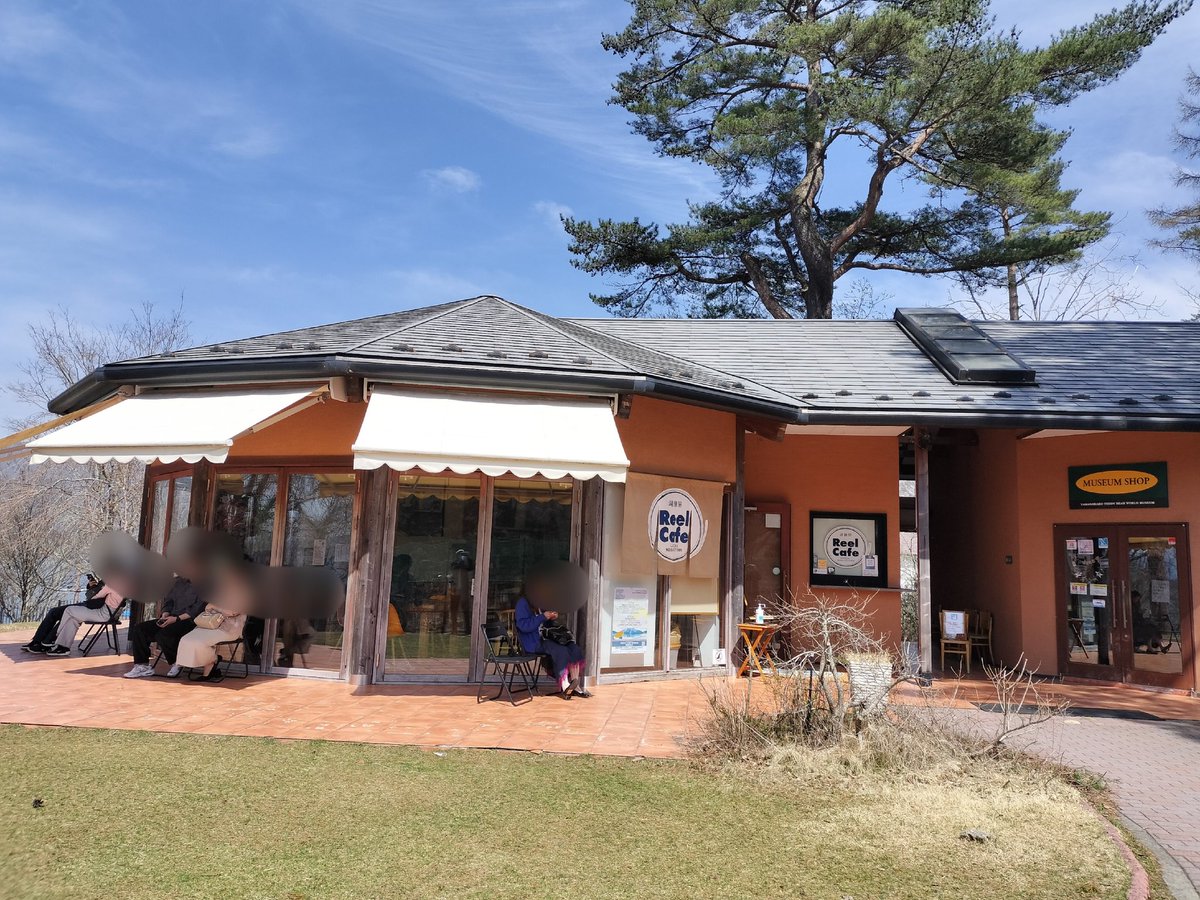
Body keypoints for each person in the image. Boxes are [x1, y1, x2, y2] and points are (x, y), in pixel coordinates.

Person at [123, 574, 205, 679]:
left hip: (190, 621)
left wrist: (177, 619)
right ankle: (142, 666)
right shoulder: (176, 582)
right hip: (171, 618)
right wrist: (165, 613)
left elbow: (197, 609)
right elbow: (168, 601)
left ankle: (178, 662)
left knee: (163, 634)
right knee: (140, 629)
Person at [515, 594, 590, 699]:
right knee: (560, 650)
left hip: (548, 638)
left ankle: (574, 683)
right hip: (534, 643)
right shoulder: (523, 603)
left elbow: (546, 624)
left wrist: (551, 617)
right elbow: (523, 626)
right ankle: (565, 685)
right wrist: (543, 616)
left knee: (574, 648)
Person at [21, 574, 105, 654]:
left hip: (94, 608)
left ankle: (48, 641)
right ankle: (37, 641)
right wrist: (91, 586)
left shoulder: (113, 581)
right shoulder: (106, 580)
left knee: (67, 614)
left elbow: (101, 597)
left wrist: (98, 588)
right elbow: (92, 595)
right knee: (53, 612)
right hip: (89, 604)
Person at [40, 579, 125, 657]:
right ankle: (63, 647)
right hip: (113, 614)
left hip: (104, 614)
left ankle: (56, 635)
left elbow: (95, 597)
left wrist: (94, 592)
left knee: (68, 610)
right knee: (73, 619)